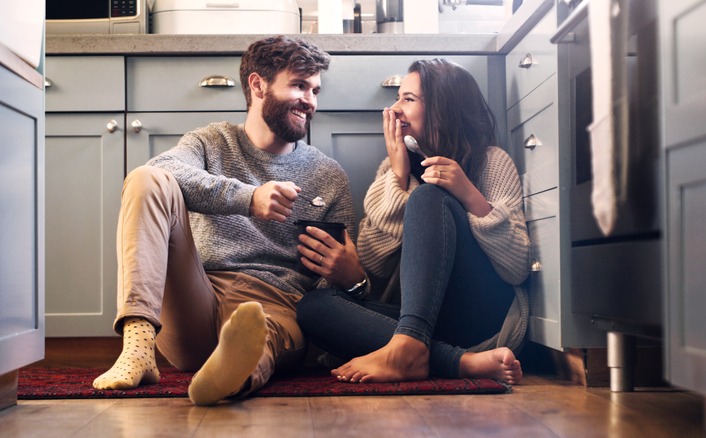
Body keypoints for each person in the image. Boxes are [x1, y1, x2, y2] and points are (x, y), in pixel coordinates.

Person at [92, 35, 365, 406]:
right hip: (198, 296)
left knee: (261, 332)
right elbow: (160, 168)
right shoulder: (210, 142)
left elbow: (331, 289)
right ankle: (138, 346)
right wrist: (248, 198)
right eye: (299, 86)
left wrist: (353, 279)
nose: (310, 101)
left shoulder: (328, 175)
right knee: (146, 179)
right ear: (258, 85)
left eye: (315, 90)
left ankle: (231, 375)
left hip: (277, 304)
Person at [296, 58, 530, 384]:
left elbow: (517, 267)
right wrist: (398, 177)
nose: (394, 110)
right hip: (425, 323)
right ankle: (457, 362)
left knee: (429, 196)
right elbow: (375, 269)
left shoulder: (491, 162)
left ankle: (412, 345)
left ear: (442, 109)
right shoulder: (393, 171)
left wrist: (469, 195)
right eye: (397, 98)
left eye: (408, 99)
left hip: (484, 314)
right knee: (314, 307)